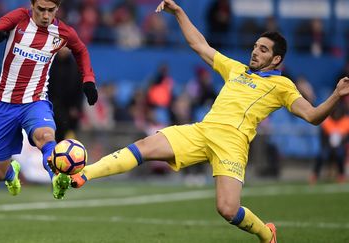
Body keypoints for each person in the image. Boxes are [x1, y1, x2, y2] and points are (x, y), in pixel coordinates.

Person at [55, 0, 349, 242]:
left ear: (276, 60)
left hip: (232, 145)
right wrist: (180, 12)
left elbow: (311, 116)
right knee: (145, 146)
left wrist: (336, 95)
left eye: (263, 50)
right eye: (255, 46)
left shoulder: (283, 86)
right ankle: (84, 174)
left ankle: (265, 232)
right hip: (202, 131)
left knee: (227, 209)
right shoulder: (236, 69)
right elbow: (200, 45)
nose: (255, 52)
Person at [0, 0, 98, 199]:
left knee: (45, 137)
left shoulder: (63, 32)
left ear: (57, 9)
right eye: (41, 9)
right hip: (5, 103)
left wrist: (89, 80)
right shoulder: (18, 18)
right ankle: (11, 173)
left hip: (35, 100)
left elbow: (81, 50)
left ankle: (56, 178)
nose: (46, 15)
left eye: (51, 10)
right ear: (32, 6)